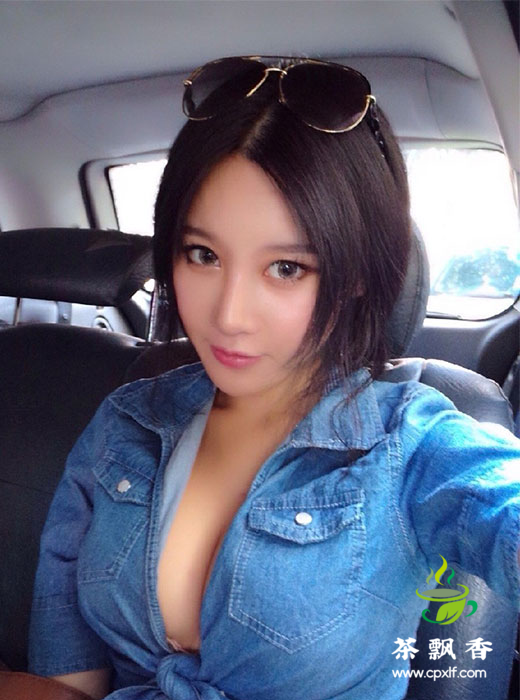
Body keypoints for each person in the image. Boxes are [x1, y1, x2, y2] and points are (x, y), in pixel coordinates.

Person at [27, 56, 520, 700]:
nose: (228, 316)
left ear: (356, 275)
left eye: (286, 268)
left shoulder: (413, 447)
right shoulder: (125, 424)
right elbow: (67, 679)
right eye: (202, 254)